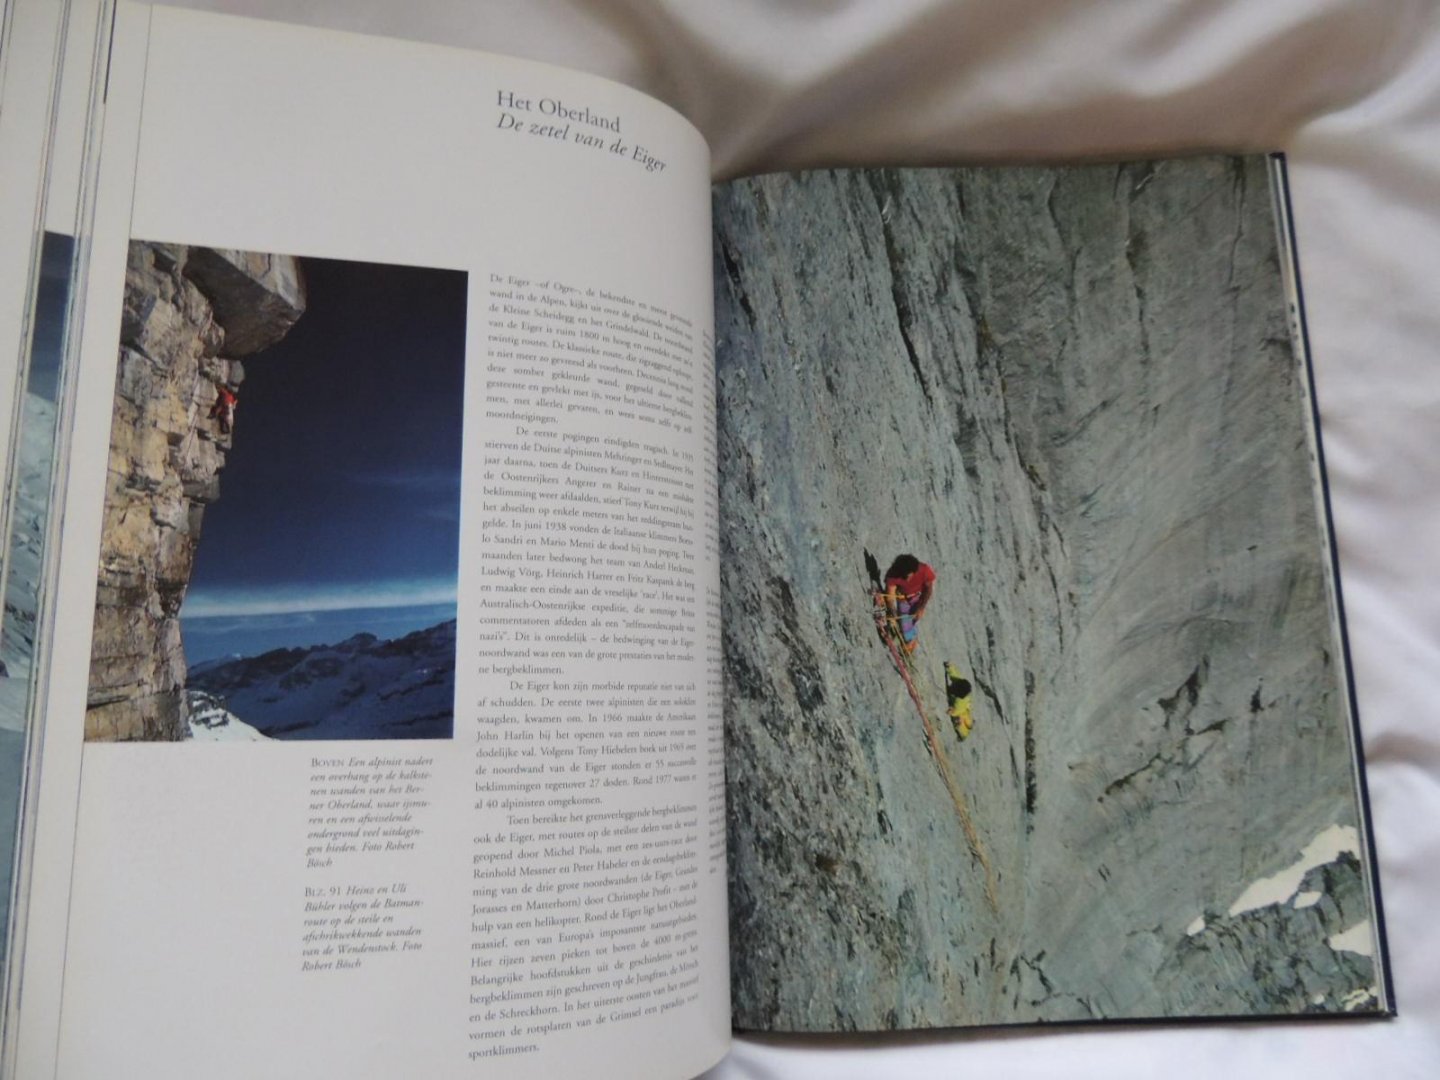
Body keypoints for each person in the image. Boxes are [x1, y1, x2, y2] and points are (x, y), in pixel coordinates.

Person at [882, 554, 935, 653]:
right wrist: (893, 613)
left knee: (913, 619)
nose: (906, 579)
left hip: (918, 598)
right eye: (904, 576)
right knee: (906, 626)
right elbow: (890, 597)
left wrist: (921, 608)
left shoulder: (924, 570)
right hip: (903, 599)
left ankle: (910, 641)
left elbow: (929, 589)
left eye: (908, 576)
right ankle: (909, 639)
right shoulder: (893, 574)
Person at [944, 661, 974, 740]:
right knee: (966, 717)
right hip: (966, 707)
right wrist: (950, 667)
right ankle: (969, 723)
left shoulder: (960, 702)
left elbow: (956, 711)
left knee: (960, 720)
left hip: (963, 711)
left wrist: (951, 711)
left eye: (953, 686)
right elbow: (954, 675)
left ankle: (963, 734)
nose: (953, 685)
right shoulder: (959, 682)